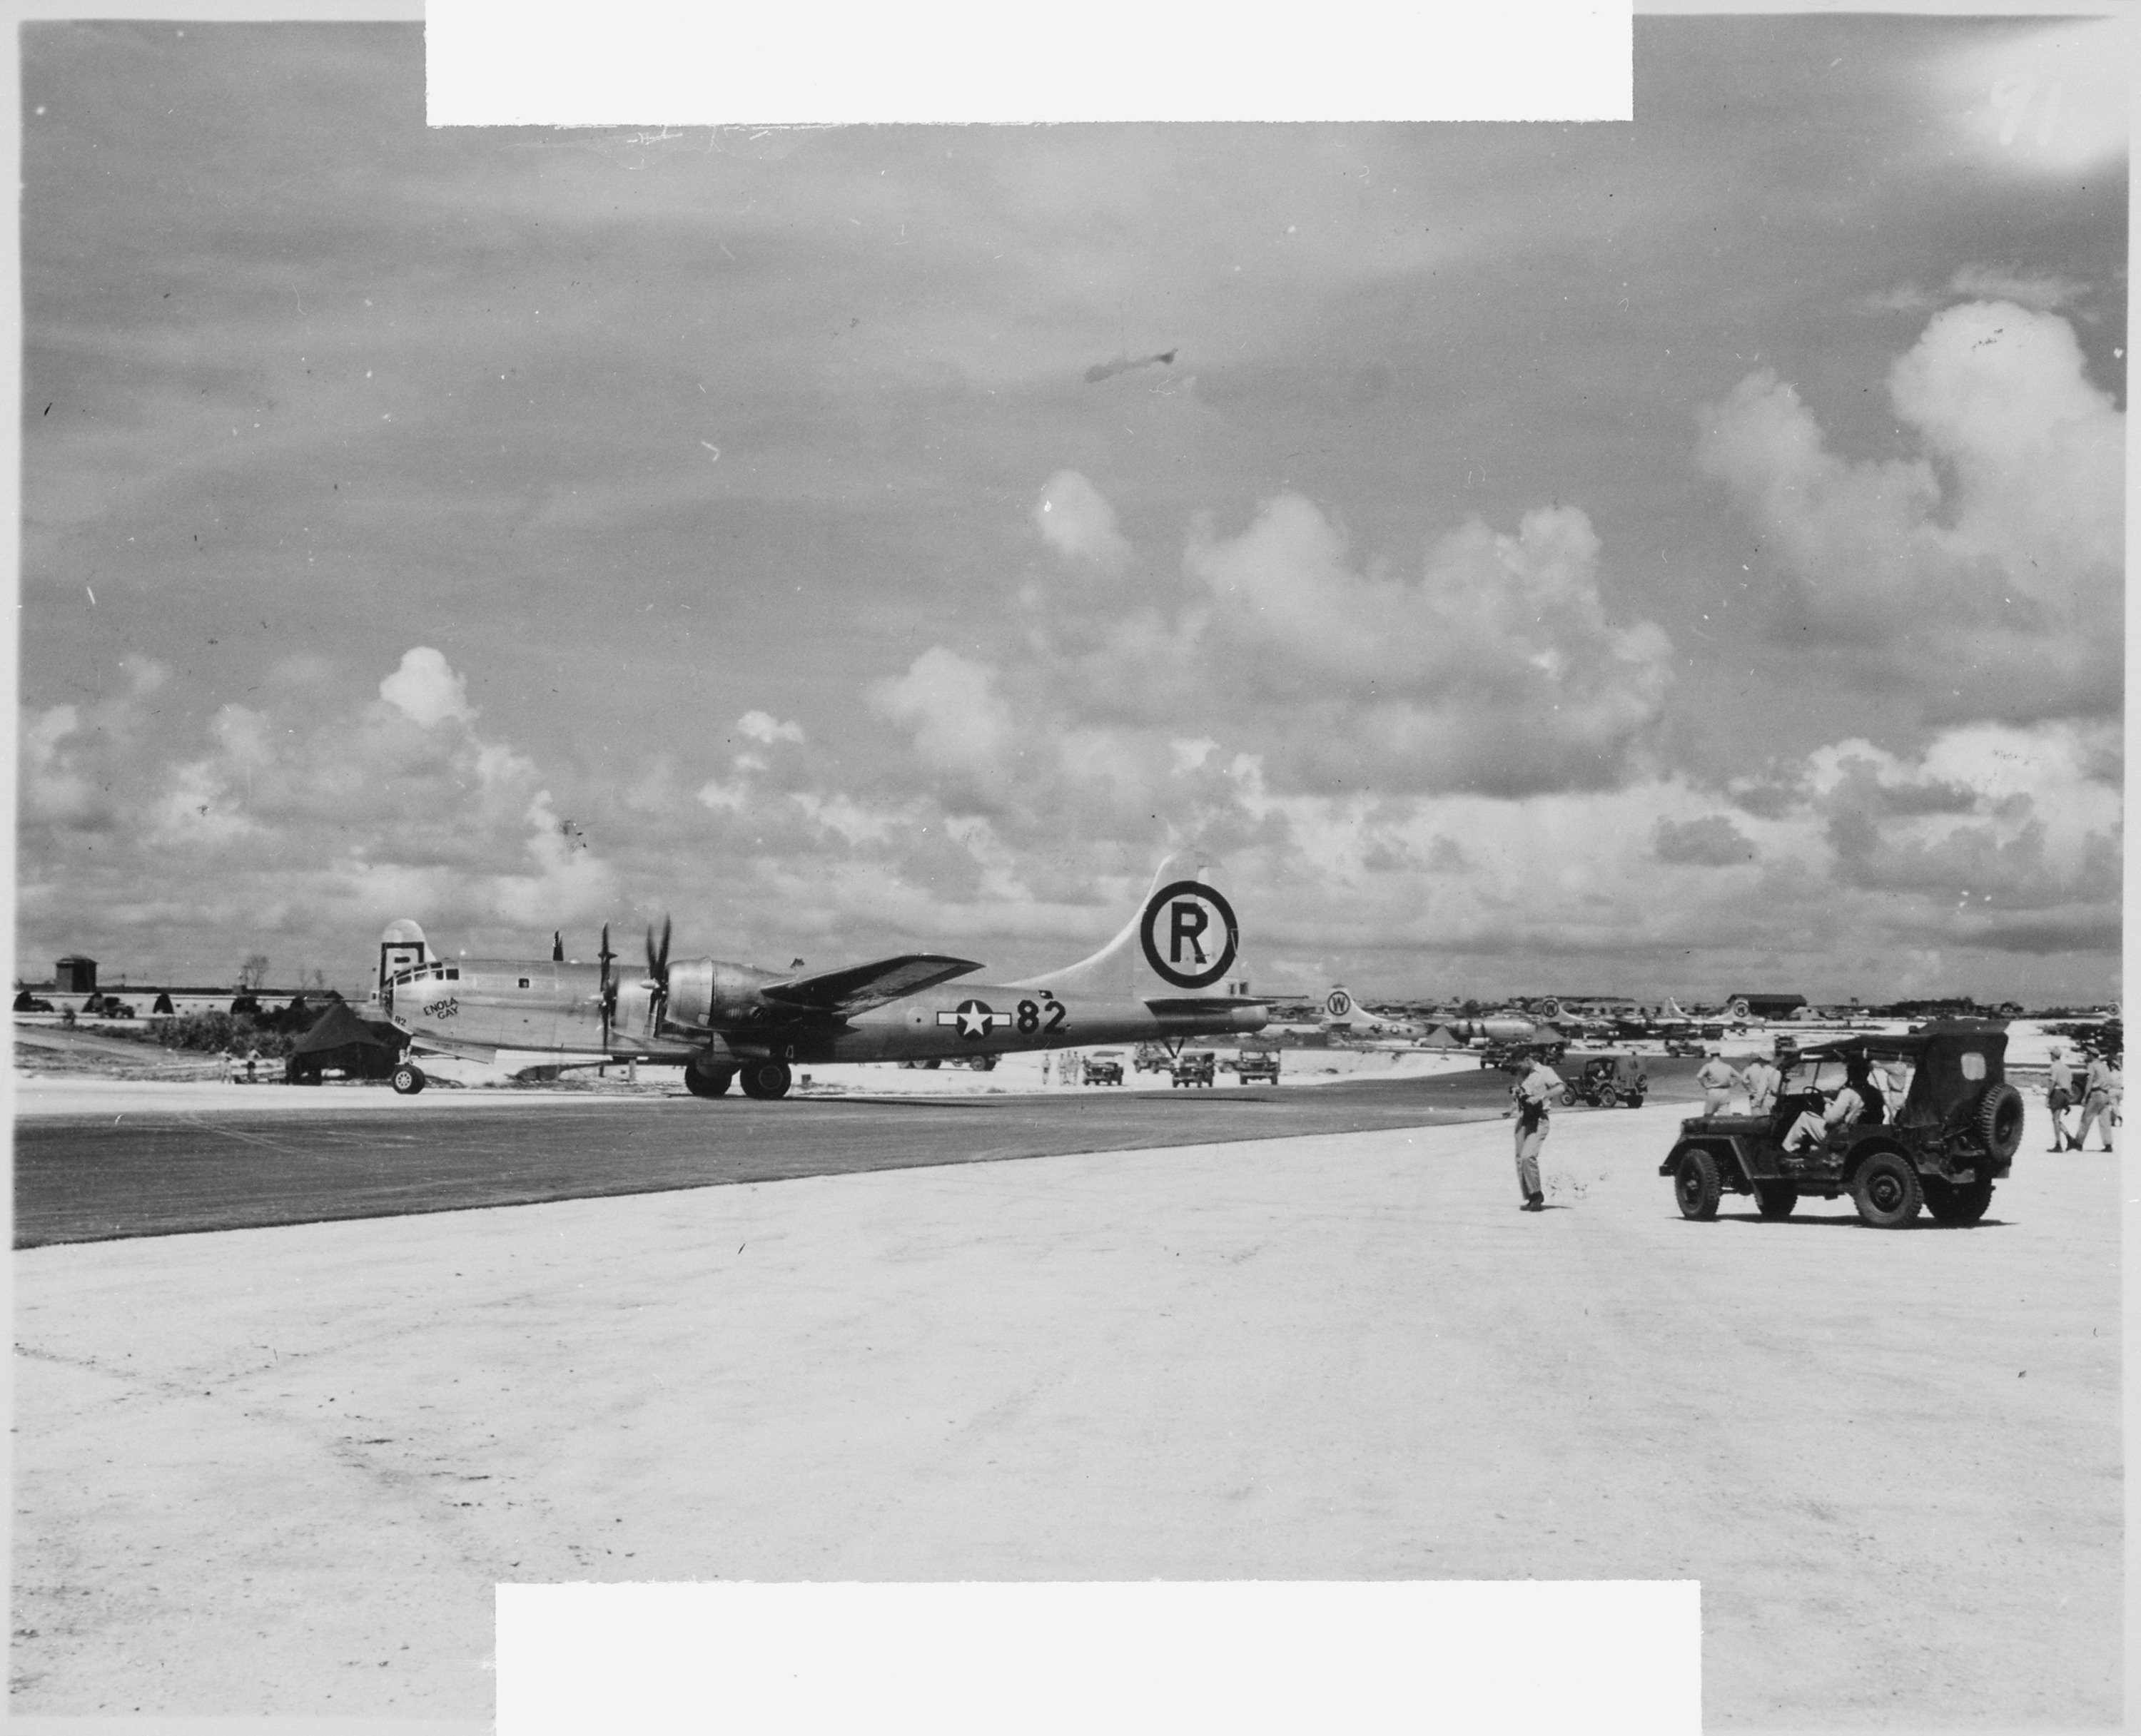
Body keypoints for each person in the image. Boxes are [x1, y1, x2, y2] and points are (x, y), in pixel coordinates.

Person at [1511, 1052, 1562, 1212]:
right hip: (1523, 1119)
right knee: (1520, 1160)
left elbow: (1560, 1087)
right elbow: (1519, 1097)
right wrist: (1511, 1106)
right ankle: (1532, 1197)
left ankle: (1537, 1195)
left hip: (1539, 1120)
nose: (1518, 1069)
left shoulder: (1545, 1072)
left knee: (1528, 1156)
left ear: (1527, 1060)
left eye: (1519, 1065)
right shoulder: (1523, 1075)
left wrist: (1541, 1097)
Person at [2075, 1050, 2118, 1152]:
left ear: (2091, 1055)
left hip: (2096, 1094)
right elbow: (2110, 1081)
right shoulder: (2104, 1066)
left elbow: (2089, 1081)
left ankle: (2078, 1143)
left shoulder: (2092, 1066)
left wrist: (2085, 1096)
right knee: (2105, 1120)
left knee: (2086, 1118)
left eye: (2087, 1055)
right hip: (2106, 1094)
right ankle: (2108, 1144)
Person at [2045, 1045, 2077, 1151]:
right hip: (2065, 1093)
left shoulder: (2054, 1067)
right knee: (2057, 1119)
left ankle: (2058, 1144)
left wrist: (2048, 1097)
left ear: (2053, 1056)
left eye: (2050, 1054)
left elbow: (2052, 1082)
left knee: (2055, 1120)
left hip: (2057, 1093)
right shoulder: (2066, 1068)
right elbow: (2070, 1083)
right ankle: (2069, 1139)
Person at [1694, 1047, 1739, 1115]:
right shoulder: (1727, 1066)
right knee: (1725, 1116)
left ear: (1711, 1056)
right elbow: (1738, 1077)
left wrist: (1705, 1085)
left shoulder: (1708, 1066)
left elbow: (1699, 1076)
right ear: (1719, 1055)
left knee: (1708, 1115)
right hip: (1725, 1092)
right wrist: (1732, 1084)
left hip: (1713, 1091)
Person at [1741, 1047, 1783, 1117]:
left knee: (1763, 1122)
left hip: (1766, 1099)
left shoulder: (1764, 1072)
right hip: (1776, 1100)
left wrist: (1755, 1102)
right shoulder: (1777, 1072)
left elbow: (1762, 1090)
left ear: (1761, 1061)